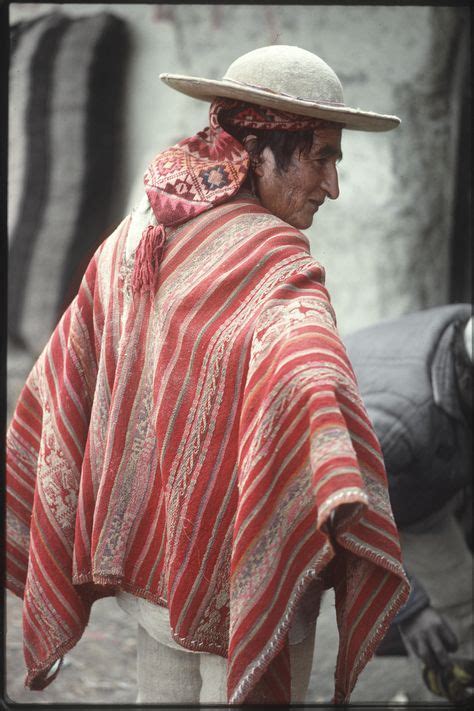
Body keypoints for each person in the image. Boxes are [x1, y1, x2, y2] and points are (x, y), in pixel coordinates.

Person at [6, 45, 409, 705]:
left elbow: (66, 364)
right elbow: (312, 370)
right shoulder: (276, 263)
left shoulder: (140, 229)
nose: (334, 185)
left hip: (152, 560)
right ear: (256, 148)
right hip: (241, 571)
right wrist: (335, 456)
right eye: (323, 155)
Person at [345, 305, 473, 704]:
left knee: (462, 600)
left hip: (410, 487)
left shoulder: (464, 330)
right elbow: (344, 513)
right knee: (292, 629)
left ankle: (455, 678)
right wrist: (410, 608)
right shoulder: (397, 421)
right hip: (326, 498)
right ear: (468, 380)